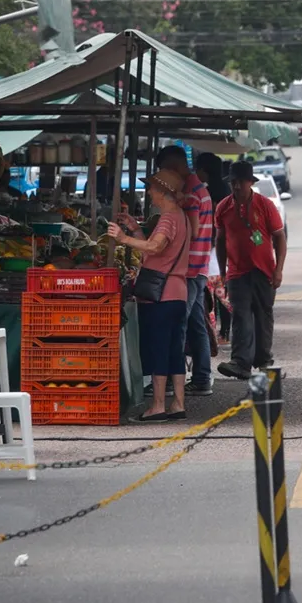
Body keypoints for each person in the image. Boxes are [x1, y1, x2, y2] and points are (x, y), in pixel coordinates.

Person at [107, 168, 191, 421]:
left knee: (158, 349)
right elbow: (152, 253)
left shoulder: (167, 218)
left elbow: (155, 247)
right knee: (174, 349)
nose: (149, 192)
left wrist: (123, 238)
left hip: (161, 296)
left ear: (163, 192)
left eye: (152, 188)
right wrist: (135, 230)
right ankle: (178, 402)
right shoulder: (182, 218)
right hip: (178, 293)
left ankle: (157, 405)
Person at [215, 161, 286, 380]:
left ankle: (264, 361)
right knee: (240, 316)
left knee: (263, 316)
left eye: (240, 182)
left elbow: (280, 238)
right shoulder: (223, 207)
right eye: (233, 183)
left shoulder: (265, 205)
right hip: (237, 272)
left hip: (264, 271)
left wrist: (278, 270)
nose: (236, 187)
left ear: (250, 183)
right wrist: (223, 273)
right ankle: (241, 363)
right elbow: (220, 241)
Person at [155, 145, 214, 396]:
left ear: (174, 167)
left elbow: (194, 230)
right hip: (199, 267)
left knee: (178, 323)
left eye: (164, 170)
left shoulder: (190, 193)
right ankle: (201, 378)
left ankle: (170, 380)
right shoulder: (199, 188)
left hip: (188, 269)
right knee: (196, 324)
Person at [195, 152, 232, 345]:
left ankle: (219, 334)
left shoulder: (210, 194)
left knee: (214, 296)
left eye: (198, 169)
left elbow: (213, 226)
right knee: (221, 296)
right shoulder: (224, 189)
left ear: (204, 170)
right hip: (222, 252)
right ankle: (224, 333)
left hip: (214, 252)